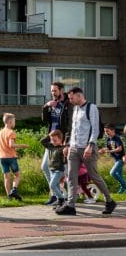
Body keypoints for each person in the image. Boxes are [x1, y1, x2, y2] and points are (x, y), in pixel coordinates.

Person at [59, 87, 115, 215]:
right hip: (74, 148)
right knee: (71, 177)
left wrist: (90, 145)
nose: (70, 101)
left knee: (94, 176)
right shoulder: (75, 108)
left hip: (87, 148)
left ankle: (109, 201)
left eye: (72, 98)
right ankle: (70, 206)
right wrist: (68, 145)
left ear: (79, 96)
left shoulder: (91, 108)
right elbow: (74, 129)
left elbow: (95, 129)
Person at [41, 82, 72, 205]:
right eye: (51, 91)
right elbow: (45, 120)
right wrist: (46, 106)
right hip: (52, 139)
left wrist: (67, 141)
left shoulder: (68, 104)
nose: (53, 93)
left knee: (64, 169)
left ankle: (66, 195)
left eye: (55, 90)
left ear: (61, 90)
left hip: (62, 141)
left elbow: (70, 124)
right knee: (45, 167)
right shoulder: (52, 103)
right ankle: (56, 194)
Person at [0, 113, 28, 201]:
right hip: (11, 157)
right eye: (14, 121)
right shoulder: (11, 132)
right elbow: (11, 145)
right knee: (17, 175)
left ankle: (9, 197)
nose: (15, 123)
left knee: (6, 177)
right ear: (10, 122)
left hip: (2, 158)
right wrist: (22, 146)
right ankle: (14, 190)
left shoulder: (0, 132)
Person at [40, 129, 67, 208]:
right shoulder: (51, 147)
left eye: (55, 140)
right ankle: (60, 203)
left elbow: (65, 162)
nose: (53, 142)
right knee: (56, 186)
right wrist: (50, 135)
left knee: (52, 185)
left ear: (60, 139)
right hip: (52, 170)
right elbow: (42, 141)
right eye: (52, 140)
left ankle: (61, 199)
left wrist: (64, 174)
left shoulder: (63, 149)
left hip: (59, 171)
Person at [99, 124, 126, 193]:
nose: (106, 133)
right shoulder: (108, 139)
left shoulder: (117, 138)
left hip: (120, 159)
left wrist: (109, 151)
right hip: (116, 160)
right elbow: (108, 148)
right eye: (105, 131)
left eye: (107, 131)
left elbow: (120, 149)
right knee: (120, 175)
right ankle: (122, 189)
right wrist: (103, 150)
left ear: (113, 130)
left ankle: (124, 185)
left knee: (112, 173)